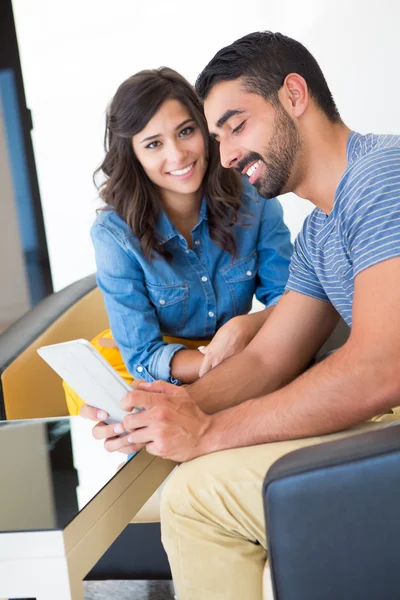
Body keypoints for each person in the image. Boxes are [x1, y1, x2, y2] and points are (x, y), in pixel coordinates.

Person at [82, 33, 400, 599]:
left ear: (294, 96)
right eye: (219, 134)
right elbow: (269, 357)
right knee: (202, 486)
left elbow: (381, 365)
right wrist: (159, 412)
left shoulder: (380, 177)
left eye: (236, 125)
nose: (223, 154)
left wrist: (209, 432)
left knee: (197, 496)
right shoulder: (322, 229)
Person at [65, 66, 292, 416]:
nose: (178, 154)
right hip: (148, 369)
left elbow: (294, 300)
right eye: (154, 144)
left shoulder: (253, 196)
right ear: (134, 156)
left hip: (239, 354)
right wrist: (219, 364)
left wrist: (247, 326)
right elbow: (142, 355)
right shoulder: (114, 234)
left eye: (185, 131)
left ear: (204, 129)